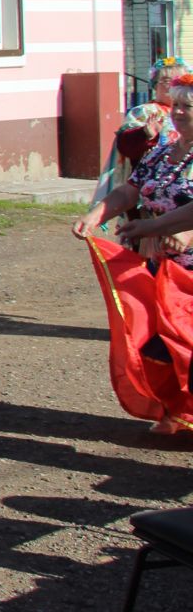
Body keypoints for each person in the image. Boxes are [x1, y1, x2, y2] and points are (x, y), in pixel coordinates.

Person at [74, 70, 193, 434]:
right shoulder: (163, 150)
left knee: (186, 339)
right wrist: (96, 214)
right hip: (161, 263)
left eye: (189, 107)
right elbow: (132, 190)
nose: (180, 112)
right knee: (155, 339)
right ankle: (178, 410)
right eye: (178, 105)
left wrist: (182, 232)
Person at [93, 57, 181, 204]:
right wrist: (145, 134)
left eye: (177, 80)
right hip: (151, 189)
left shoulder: (186, 114)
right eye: (166, 80)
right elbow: (124, 145)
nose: (172, 85)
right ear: (155, 85)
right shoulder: (145, 112)